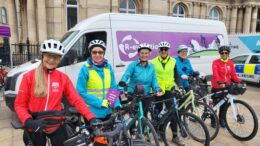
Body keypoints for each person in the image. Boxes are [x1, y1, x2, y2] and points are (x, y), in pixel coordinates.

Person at [14, 39, 96, 146]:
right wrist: (28, 121)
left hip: (57, 125)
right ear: (42, 56)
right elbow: (19, 105)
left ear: (59, 59)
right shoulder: (28, 77)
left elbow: (76, 99)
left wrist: (91, 117)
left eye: (56, 57)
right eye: (49, 56)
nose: (52, 60)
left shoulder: (63, 78)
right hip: (35, 125)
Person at [76, 39, 120, 146]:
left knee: (108, 140)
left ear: (104, 53)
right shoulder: (85, 69)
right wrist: (100, 102)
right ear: (90, 53)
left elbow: (113, 87)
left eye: (100, 52)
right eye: (94, 52)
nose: (97, 55)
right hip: (92, 113)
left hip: (108, 111)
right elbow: (80, 91)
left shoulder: (108, 67)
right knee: (96, 141)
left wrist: (117, 104)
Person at [151, 41, 183, 145]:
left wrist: (180, 86)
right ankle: (158, 132)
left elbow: (176, 75)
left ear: (168, 50)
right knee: (158, 111)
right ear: (159, 50)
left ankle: (175, 135)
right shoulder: (153, 62)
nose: (163, 51)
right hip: (158, 90)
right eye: (162, 49)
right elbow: (152, 76)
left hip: (170, 89)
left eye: (165, 49)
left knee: (172, 112)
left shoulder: (173, 61)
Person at [120, 43, 162, 117]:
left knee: (144, 116)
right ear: (138, 54)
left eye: (146, 53)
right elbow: (126, 75)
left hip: (146, 94)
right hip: (134, 94)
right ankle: (133, 128)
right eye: (142, 53)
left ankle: (143, 127)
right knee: (133, 115)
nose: (144, 55)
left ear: (150, 54)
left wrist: (157, 88)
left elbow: (154, 80)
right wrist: (122, 83)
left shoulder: (152, 66)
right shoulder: (133, 65)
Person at [211, 45, 241, 128]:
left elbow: (233, 75)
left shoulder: (230, 63)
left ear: (228, 53)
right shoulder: (215, 62)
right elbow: (215, 73)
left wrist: (240, 81)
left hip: (227, 86)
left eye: (226, 52)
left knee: (224, 105)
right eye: (222, 52)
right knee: (216, 104)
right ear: (220, 53)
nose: (224, 54)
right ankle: (213, 120)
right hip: (217, 86)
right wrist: (219, 81)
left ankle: (221, 120)